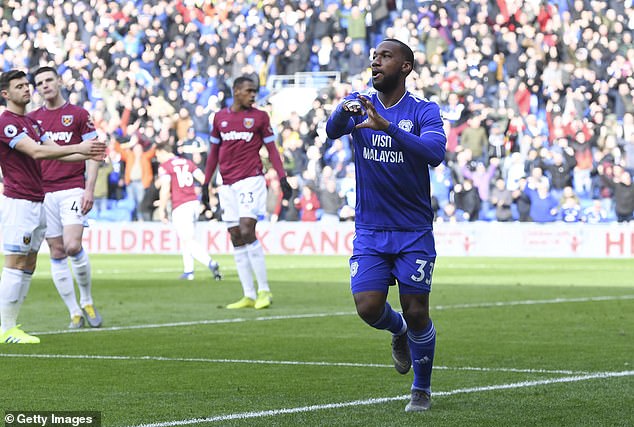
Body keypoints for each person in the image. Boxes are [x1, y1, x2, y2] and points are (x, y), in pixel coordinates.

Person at [325, 39, 446, 412]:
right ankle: (399, 332)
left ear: (406, 67)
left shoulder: (424, 111)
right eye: (374, 57)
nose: (375, 62)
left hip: (412, 231)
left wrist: (389, 128)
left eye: (385, 57)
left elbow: (435, 154)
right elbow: (332, 130)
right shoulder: (360, 105)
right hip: (371, 230)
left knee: (417, 309)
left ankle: (421, 389)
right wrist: (342, 110)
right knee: (367, 307)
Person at [0, 70, 105, 343]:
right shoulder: (7, 123)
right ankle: (6, 328)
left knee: (29, 263)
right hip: (19, 201)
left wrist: (86, 152)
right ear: (5, 94)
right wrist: (82, 148)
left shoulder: (32, 124)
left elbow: (58, 150)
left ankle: (11, 324)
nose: (27, 90)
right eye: (20, 86)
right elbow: (37, 151)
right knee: (14, 263)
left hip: (38, 199)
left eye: (26, 85)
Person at [204, 76, 291, 310]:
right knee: (234, 234)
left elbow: (272, 149)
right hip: (227, 183)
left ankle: (264, 290)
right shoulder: (220, 118)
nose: (253, 95)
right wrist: (205, 183)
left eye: (255, 91)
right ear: (236, 91)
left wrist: (282, 177)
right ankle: (248, 294)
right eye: (248, 91)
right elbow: (213, 153)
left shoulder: (260, 117)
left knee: (246, 229)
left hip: (251, 180)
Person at [29, 66, 102, 329]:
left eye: (49, 80)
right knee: (57, 251)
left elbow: (95, 152)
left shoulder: (79, 115)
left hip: (72, 187)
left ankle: (87, 300)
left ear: (59, 82)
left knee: (72, 246)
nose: (45, 85)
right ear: (36, 88)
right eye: (39, 83)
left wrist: (89, 188)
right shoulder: (32, 120)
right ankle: (74, 312)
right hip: (44, 192)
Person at [155, 142, 221, 281]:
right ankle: (188, 271)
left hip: (181, 205)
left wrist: (162, 209)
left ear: (163, 152)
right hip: (193, 203)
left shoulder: (165, 167)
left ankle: (210, 263)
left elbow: (165, 188)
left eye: (158, 155)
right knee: (186, 239)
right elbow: (204, 179)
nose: (158, 159)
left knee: (187, 239)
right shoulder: (188, 162)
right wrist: (209, 197)